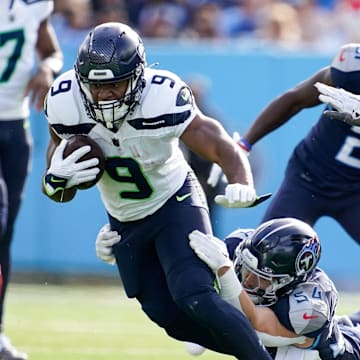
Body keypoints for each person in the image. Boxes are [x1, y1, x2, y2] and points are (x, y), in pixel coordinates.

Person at [41, 22, 272, 359]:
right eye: (96, 86)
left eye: (115, 85)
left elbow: (217, 140)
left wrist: (241, 180)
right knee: (166, 317)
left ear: (137, 77)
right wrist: (55, 181)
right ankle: (273, 349)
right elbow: (60, 191)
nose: (104, 96)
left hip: (174, 200)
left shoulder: (161, 97)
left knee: (194, 294)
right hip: (124, 218)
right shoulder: (64, 102)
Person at [228, 43, 360, 246]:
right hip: (309, 178)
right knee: (268, 248)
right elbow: (295, 99)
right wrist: (244, 144)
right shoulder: (350, 71)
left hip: (355, 190)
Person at [186, 217, 360, 359]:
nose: (248, 280)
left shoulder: (309, 304)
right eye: (245, 269)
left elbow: (252, 323)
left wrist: (224, 271)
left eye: (262, 278)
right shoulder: (239, 242)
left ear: (288, 281)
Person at [0, 1, 63, 359]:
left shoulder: (34, 4)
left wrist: (46, 68)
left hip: (15, 124)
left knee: (4, 236)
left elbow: (52, 52)